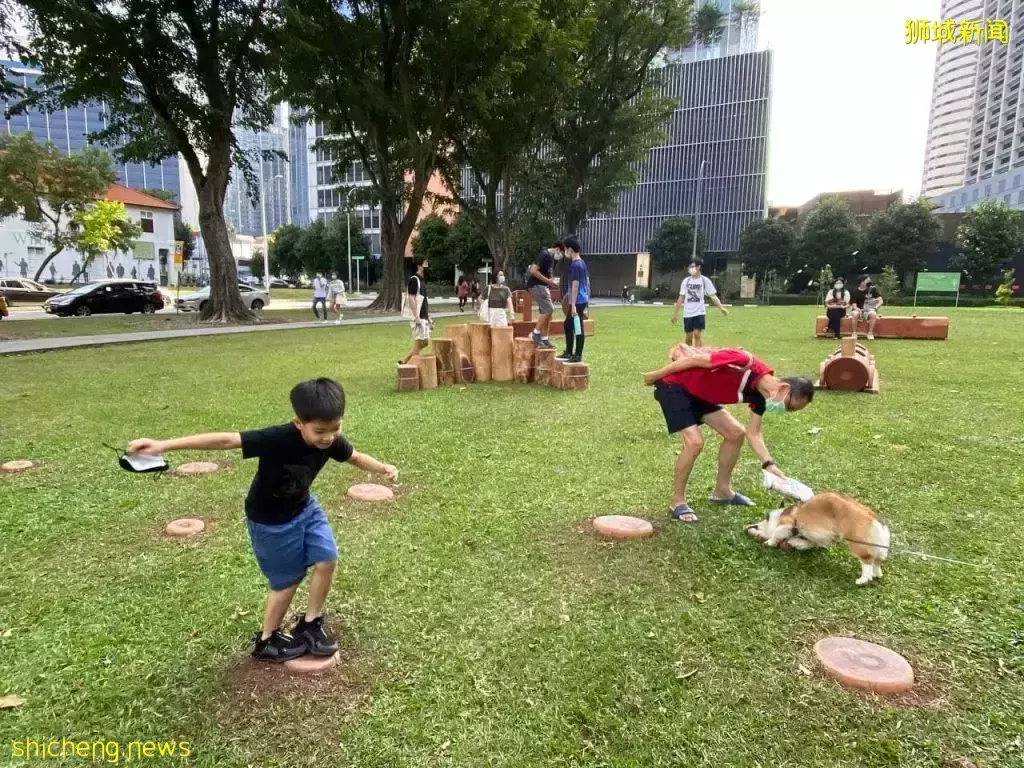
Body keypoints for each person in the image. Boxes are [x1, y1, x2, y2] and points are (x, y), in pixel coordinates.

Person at [126, 378, 398, 661]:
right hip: (271, 521)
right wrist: (163, 445)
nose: (328, 437)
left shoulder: (331, 440)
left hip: (305, 508)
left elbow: (354, 457)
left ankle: (310, 623)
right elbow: (226, 440)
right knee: (287, 582)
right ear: (298, 423)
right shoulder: (277, 438)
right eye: (320, 431)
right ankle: (267, 640)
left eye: (335, 428)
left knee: (327, 559)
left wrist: (383, 468)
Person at [643, 346, 814, 523]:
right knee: (694, 442)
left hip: (700, 394)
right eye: (789, 406)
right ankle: (677, 501)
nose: (785, 411)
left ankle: (722, 492)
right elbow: (693, 361)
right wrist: (656, 375)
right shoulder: (744, 361)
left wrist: (769, 465)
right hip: (674, 386)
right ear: (784, 388)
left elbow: (753, 434)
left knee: (736, 433)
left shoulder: (763, 397)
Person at [671, 257, 728, 347]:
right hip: (688, 313)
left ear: (698, 267)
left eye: (692, 266)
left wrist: (721, 307)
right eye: (690, 267)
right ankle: (689, 354)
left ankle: (698, 354)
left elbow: (713, 296)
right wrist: (675, 313)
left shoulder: (704, 281)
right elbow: (681, 298)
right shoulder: (686, 281)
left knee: (697, 334)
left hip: (699, 312)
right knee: (689, 337)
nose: (690, 269)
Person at [526, 240, 565, 349]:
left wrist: (551, 280)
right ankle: (535, 333)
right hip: (536, 286)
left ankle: (544, 338)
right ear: (557, 249)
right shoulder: (545, 255)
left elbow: (543, 272)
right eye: (562, 252)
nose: (562, 255)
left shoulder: (550, 257)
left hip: (543, 286)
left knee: (547, 312)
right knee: (549, 309)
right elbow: (533, 271)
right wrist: (549, 281)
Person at [556, 237, 590, 363]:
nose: (565, 252)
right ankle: (570, 352)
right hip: (580, 299)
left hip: (578, 300)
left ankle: (577, 355)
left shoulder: (576, 265)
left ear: (570, 249)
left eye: (565, 249)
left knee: (576, 326)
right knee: (569, 325)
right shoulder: (582, 263)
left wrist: (573, 305)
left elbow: (575, 285)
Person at [400, 259, 430, 365]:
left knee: (425, 342)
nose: (427, 266)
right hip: (418, 316)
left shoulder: (422, 281)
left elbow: (424, 301)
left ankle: (406, 360)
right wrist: (416, 317)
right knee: (418, 343)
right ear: (419, 266)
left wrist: (428, 317)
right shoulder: (414, 280)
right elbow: (411, 298)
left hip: (424, 316)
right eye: (425, 264)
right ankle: (412, 368)